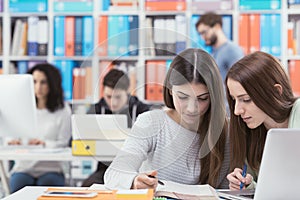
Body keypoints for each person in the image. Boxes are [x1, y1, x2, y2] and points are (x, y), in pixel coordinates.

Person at [104, 48, 230, 190]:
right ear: (170, 89)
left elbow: (227, 192)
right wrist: (133, 182)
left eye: (202, 99)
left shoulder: (226, 131)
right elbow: (114, 173)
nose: (191, 109)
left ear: (213, 96)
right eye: (182, 96)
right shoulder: (152, 123)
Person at [225, 51, 300, 190]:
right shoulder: (251, 130)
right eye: (234, 100)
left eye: (246, 100)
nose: (237, 111)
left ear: (276, 92)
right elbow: (268, 191)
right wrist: (246, 185)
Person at [9, 63, 72, 193]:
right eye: (34, 82)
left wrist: (44, 144)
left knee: (47, 184)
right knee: (18, 183)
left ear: (52, 84)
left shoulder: (63, 110)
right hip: (24, 168)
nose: (38, 87)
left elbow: (63, 143)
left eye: (43, 82)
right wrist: (13, 142)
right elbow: (9, 136)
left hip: (51, 168)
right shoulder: (21, 108)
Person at [81, 68, 150, 187]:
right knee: (87, 187)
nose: (113, 102)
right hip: (105, 169)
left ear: (128, 92)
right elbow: (75, 139)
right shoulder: (96, 110)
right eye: (108, 96)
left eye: (118, 97)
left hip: (137, 169)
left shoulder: (142, 111)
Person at [195, 12, 244, 82]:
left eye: (204, 32)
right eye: (200, 34)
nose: (203, 37)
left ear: (217, 27)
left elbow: (241, 80)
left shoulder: (232, 50)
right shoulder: (214, 51)